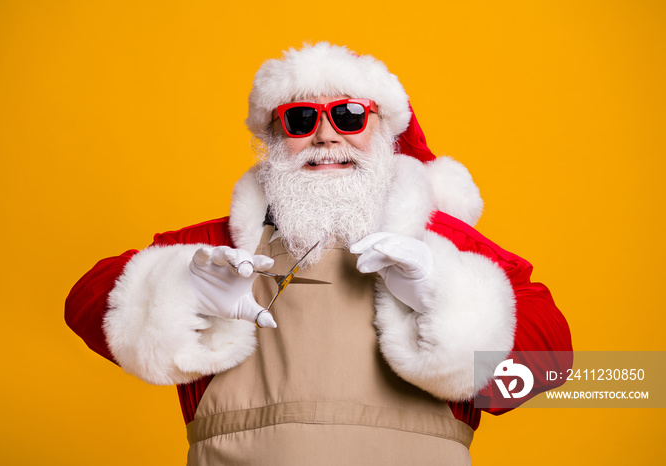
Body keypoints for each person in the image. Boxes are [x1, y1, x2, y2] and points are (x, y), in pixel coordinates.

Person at [65, 42, 572, 465]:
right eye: (300, 118)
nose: (326, 135)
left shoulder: (449, 248)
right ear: (273, 138)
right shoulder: (215, 251)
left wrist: (447, 298)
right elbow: (83, 303)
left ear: (384, 134)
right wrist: (177, 289)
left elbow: (546, 368)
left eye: (350, 116)